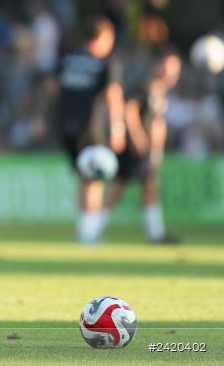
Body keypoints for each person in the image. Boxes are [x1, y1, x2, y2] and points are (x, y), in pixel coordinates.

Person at [99, 48, 182, 243]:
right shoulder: (145, 86)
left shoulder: (159, 91)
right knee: (122, 187)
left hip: (146, 148)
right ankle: (93, 228)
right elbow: (130, 110)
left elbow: (157, 123)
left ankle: (155, 233)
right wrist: (138, 138)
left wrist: (157, 150)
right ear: (158, 65)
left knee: (146, 186)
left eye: (175, 68)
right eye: (168, 66)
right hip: (135, 147)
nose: (171, 72)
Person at [56, 16, 125, 244]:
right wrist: (117, 128)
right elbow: (112, 94)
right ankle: (88, 234)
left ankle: (85, 229)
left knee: (83, 178)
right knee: (94, 180)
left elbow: (51, 87)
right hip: (91, 127)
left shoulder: (67, 60)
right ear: (102, 37)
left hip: (67, 126)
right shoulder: (104, 63)